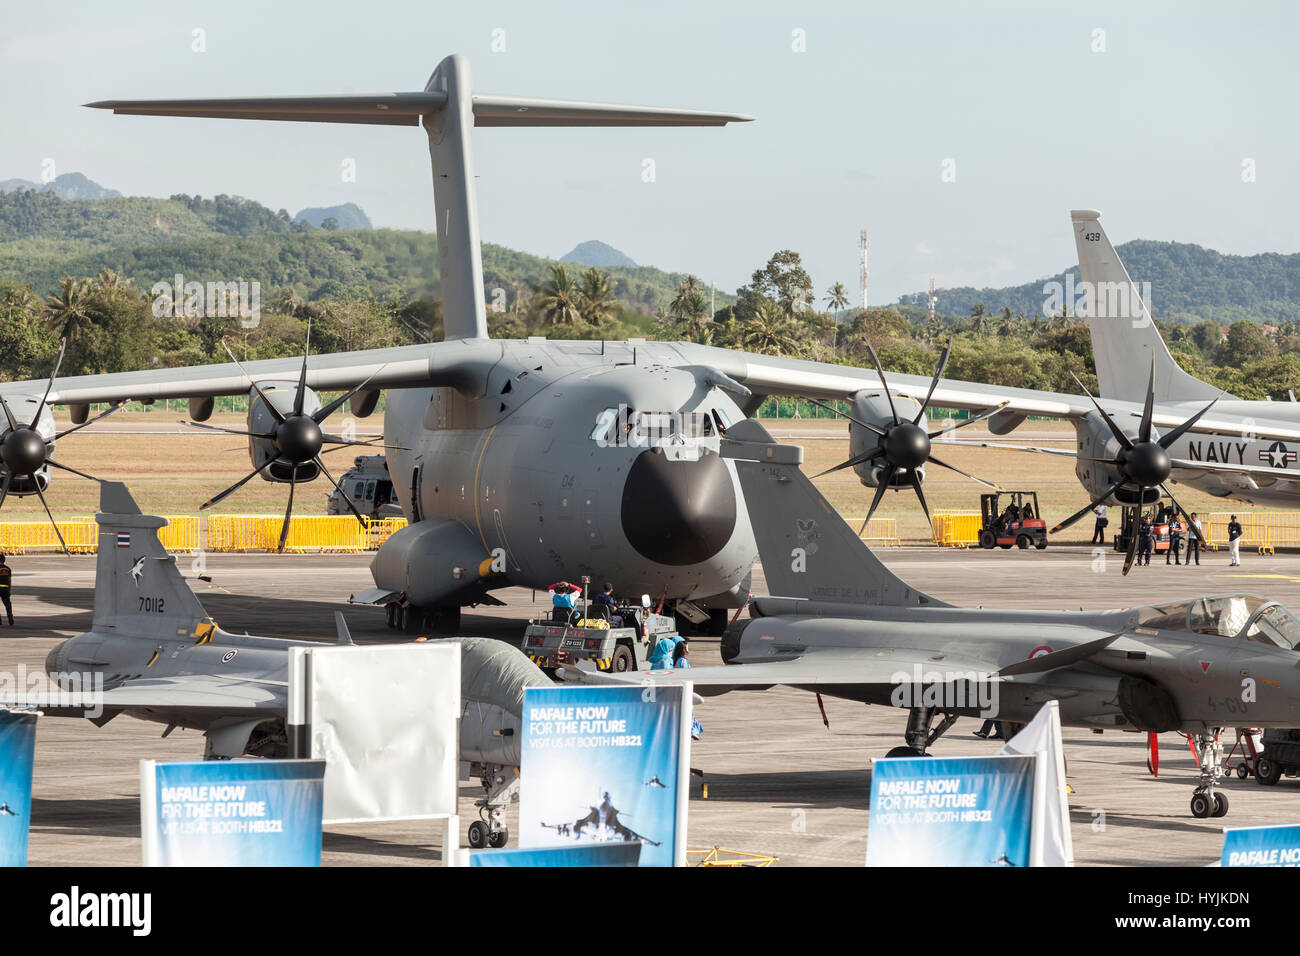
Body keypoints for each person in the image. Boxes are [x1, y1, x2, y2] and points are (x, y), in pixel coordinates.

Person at [0, 555, 11, 626]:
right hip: (6, 588)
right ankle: (10, 615)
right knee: (7, 604)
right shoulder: (8, 569)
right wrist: (9, 590)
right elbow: (9, 580)